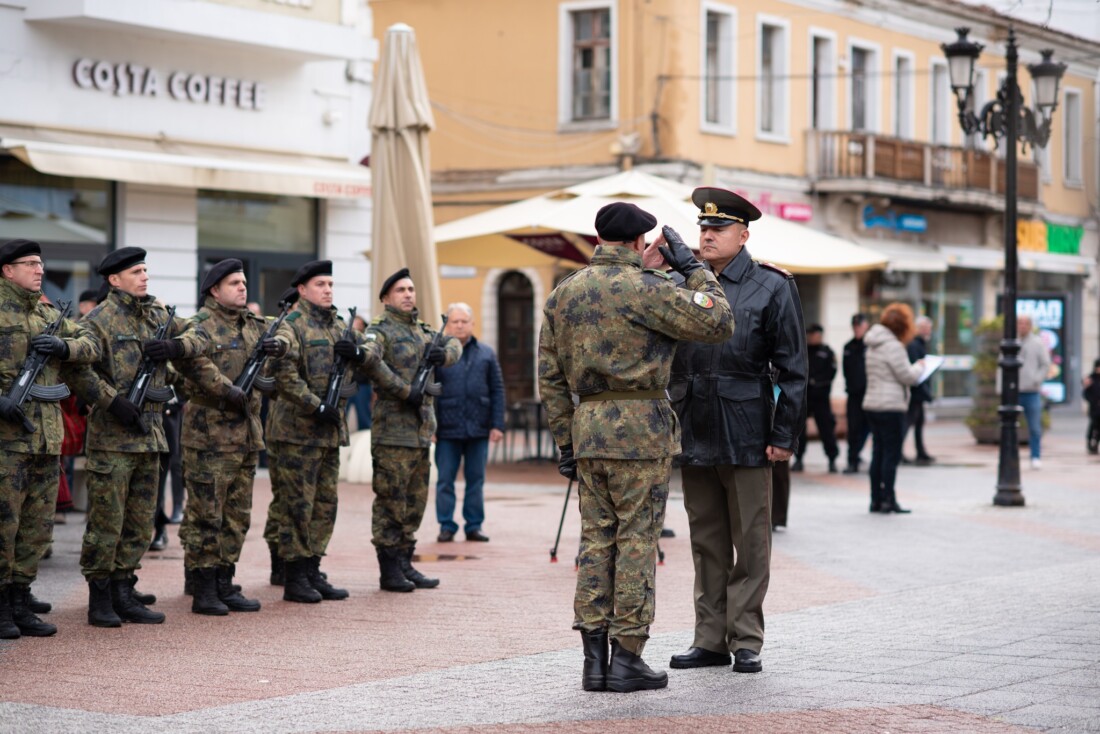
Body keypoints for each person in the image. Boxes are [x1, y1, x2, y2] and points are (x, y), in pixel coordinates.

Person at [539, 202, 734, 693]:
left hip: (588, 432)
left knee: (596, 542)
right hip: (641, 431)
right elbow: (719, 322)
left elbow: (550, 378)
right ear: (638, 244)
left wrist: (566, 439)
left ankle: (592, 661)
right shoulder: (647, 289)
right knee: (636, 542)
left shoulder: (565, 293)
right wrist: (693, 269)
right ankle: (626, 658)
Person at [667, 187, 807, 676]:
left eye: (718, 228)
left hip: (747, 426)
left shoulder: (772, 285)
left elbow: (793, 368)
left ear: (743, 235)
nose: (706, 235)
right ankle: (709, 638)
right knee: (705, 538)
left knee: (750, 539)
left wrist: (784, 434)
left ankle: (746, 638)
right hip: (694, 424)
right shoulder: (680, 282)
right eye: (703, 228)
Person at [69, 246, 205, 627]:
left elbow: (202, 335)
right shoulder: (97, 320)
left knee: (141, 521)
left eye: (146, 270)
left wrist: (176, 346)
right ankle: (100, 598)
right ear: (114, 280)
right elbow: (78, 370)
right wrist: (112, 402)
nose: (145, 277)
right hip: (113, 439)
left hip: (151, 436)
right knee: (107, 522)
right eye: (136, 272)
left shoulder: (158, 316)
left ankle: (124, 590)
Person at [268, 260, 395, 603]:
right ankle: (294, 575)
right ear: (303, 290)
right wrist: (315, 405)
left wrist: (356, 350)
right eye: (320, 284)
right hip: (296, 431)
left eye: (330, 284)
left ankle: (312, 567)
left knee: (325, 504)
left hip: (327, 433)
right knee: (298, 505)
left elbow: (372, 351)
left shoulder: (339, 324)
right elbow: (284, 373)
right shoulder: (293, 325)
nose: (327, 290)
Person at [0, 240, 100, 639]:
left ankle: (21, 600)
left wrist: (64, 346)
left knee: (37, 528)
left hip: (45, 439)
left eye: (41, 264)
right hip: (6, 440)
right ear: (7, 270)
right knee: (4, 526)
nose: (39, 270)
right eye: (30, 264)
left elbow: (91, 346)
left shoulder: (46, 312)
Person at [174, 258, 271, 615]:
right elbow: (189, 363)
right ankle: (203, 587)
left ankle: (224, 581)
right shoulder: (200, 325)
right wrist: (225, 389)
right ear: (215, 290)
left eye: (244, 282)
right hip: (209, 436)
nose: (242, 287)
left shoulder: (254, 325)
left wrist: (279, 350)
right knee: (206, 515)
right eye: (234, 283)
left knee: (237, 516)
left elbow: (284, 345)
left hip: (246, 434)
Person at [366, 268, 461, 593]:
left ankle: (406, 562)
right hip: (393, 432)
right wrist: (405, 390)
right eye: (400, 290)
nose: (408, 294)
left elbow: (455, 344)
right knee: (391, 502)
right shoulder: (380, 329)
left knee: (415, 502)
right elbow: (371, 362)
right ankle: (389, 568)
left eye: (410, 289)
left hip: (421, 432)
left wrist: (444, 354)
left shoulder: (422, 330)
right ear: (386, 298)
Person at [433, 302, 505, 543]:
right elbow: (430, 390)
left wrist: (497, 424)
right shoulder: (438, 353)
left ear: (472, 324)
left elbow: (497, 389)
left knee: (476, 480)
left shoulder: (486, 352)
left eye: (464, 321)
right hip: (446, 427)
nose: (460, 325)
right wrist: (431, 425)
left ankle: (474, 525)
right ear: (447, 325)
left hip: (479, 426)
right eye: (455, 321)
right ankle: (446, 525)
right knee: (445, 480)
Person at [863, 303, 924, 514]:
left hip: (872, 404)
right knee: (891, 454)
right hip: (891, 406)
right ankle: (889, 499)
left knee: (878, 453)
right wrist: (920, 367)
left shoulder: (872, 343)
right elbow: (906, 375)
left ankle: (875, 499)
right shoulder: (894, 346)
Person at [792, 324, 839, 473]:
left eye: (815, 334)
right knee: (800, 431)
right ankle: (799, 459)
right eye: (810, 334)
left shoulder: (827, 352)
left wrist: (815, 382)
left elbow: (831, 373)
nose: (812, 337)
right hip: (804, 397)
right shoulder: (801, 351)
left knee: (826, 429)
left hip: (821, 398)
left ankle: (832, 459)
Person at [1017, 314, 1052, 470]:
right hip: (1014, 391)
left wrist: (1036, 380)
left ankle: (1035, 456)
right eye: (1020, 323)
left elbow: (1046, 364)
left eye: (1025, 323)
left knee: (1034, 427)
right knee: (1009, 427)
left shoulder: (1037, 343)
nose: (1022, 326)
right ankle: (1011, 455)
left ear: (1030, 326)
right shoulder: (1012, 341)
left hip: (1031, 391)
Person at [902, 316, 935, 466]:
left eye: (929, 327)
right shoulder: (914, 345)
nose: (928, 330)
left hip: (919, 391)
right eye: (925, 327)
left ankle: (920, 451)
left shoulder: (919, 344)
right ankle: (898, 451)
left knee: (919, 422)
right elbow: (916, 369)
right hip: (915, 391)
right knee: (909, 422)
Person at [842, 314, 871, 474]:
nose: (857, 329)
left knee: (868, 427)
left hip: (869, 394)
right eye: (855, 326)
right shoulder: (849, 347)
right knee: (853, 429)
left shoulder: (871, 346)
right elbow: (846, 371)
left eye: (859, 326)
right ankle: (852, 460)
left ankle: (858, 453)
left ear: (866, 326)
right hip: (854, 395)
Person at [345, 313, 374, 431]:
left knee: (364, 418)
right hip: (346, 385)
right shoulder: (345, 339)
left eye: (358, 323)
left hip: (362, 385)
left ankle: (364, 447)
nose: (355, 325)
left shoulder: (367, 341)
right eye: (353, 322)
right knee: (340, 416)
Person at [1084, 359, 1100, 455]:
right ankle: (1090, 443)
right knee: (1093, 426)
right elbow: (1086, 393)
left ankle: (1095, 444)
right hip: (1094, 408)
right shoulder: (1091, 378)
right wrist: (1093, 401)